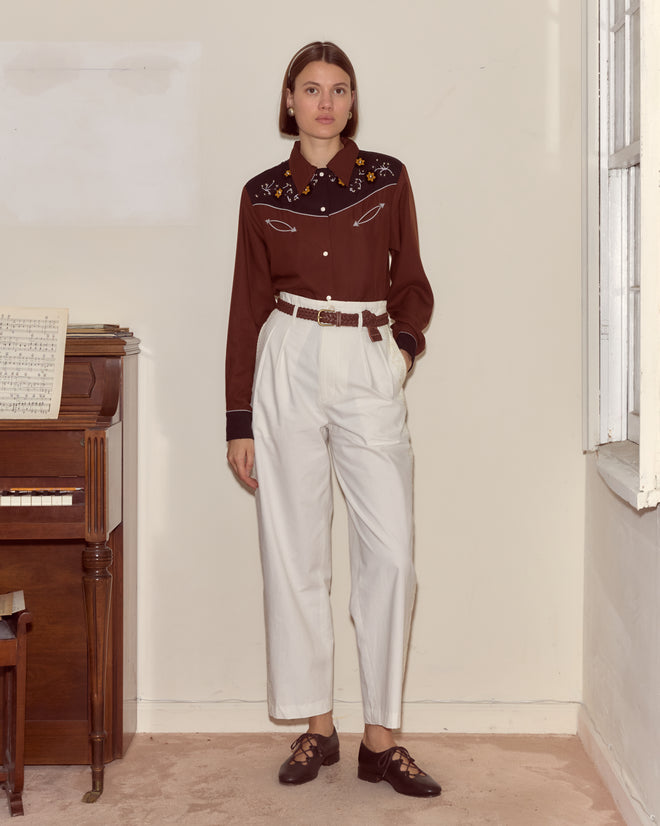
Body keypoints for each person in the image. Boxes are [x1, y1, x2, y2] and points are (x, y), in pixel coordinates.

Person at [225, 41, 439, 798]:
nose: (325, 101)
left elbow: (412, 280)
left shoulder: (386, 179)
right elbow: (246, 305)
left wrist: (401, 354)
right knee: (295, 552)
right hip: (287, 354)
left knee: (392, 554)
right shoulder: (260, 193)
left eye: (339, 89)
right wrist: (238, 420)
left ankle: (383, 740)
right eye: (311, 88)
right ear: (289, 101)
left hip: (366, 357)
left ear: (352, 102)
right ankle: (317, 727)